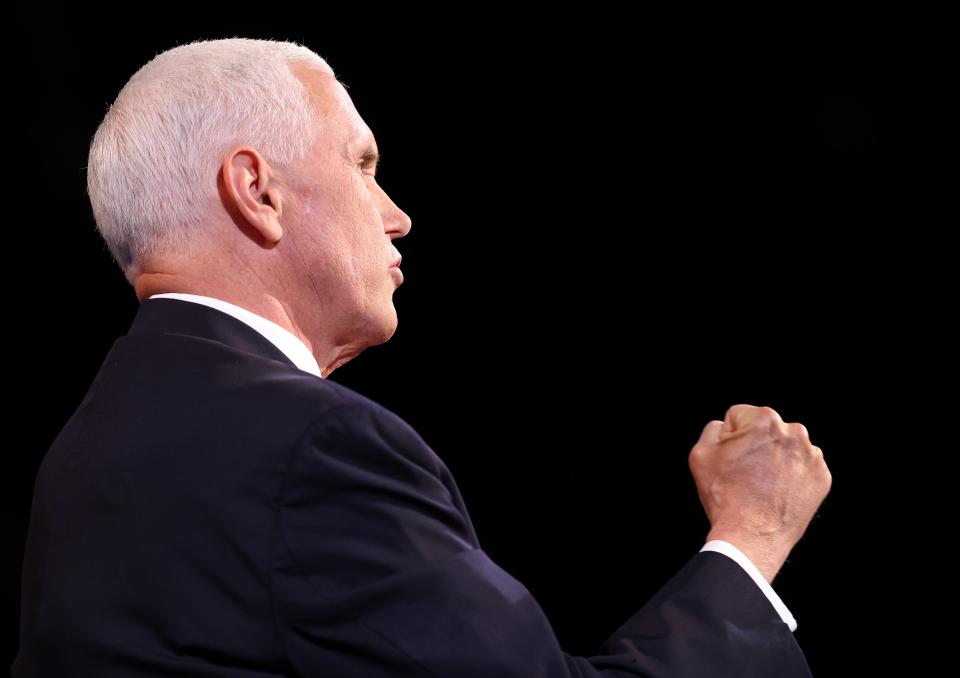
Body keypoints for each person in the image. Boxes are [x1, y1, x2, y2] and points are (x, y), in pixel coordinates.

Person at [13, 38, 832, 677]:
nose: (397, 216)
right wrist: (750, 535)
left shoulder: (85, 448)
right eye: (363, 166)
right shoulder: (310, 447)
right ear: (257, 191)